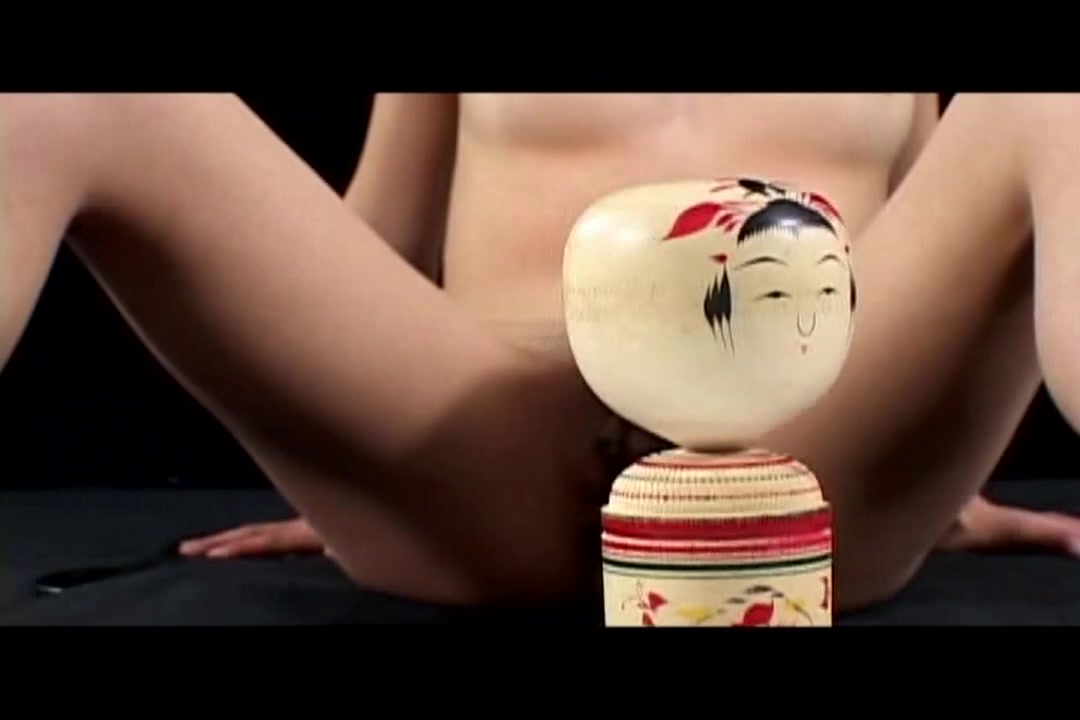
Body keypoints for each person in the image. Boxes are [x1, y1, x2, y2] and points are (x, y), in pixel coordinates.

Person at [0, 93, 1076, 615]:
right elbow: (369, 242)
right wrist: (336, 444)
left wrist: (950, 485)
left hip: (791, 478)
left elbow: (943, 255)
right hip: (492, 454)